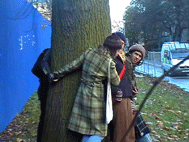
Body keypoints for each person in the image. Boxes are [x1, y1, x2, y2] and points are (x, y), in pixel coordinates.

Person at [53, 34, 125, 142]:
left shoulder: (90, 52)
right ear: (114, 50)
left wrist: (57, 74)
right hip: (95, 97)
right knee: (100, 132)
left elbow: (73, 65)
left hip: (82, 93)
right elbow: (116, 81)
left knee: (89, 130)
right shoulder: (109, 62)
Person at [110, 32, 149, 142]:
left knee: (138, 135)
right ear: (130, 53)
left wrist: (133, 91)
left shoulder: (131, 66)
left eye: (140, 56)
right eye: (136, 54)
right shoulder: (124, 63)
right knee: (141, 136)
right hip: (123, 103)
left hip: (129, 103)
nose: (137, 57)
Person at [34, 48, 56, 142]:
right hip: (45, 89)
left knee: (44, 116)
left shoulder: (47, 51)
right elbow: (41, 66)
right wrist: (48, 76)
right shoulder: (50, 52)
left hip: (43, 88)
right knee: (44, 117)